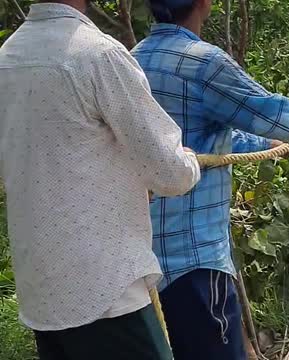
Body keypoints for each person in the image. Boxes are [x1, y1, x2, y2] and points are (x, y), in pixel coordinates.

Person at [131, 0, 289, 358]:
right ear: (204, 3)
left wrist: (265, 144)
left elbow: (191, 136)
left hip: (142, 265)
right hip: (194, 262)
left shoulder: (131, 61)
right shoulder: (203, 62)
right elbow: (268, 109)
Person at [0, 1, 201, 359]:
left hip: (43, 292)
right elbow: (171, 173)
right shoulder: (98, 55)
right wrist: (187, 160)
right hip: (106, 290)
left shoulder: (7, 58)